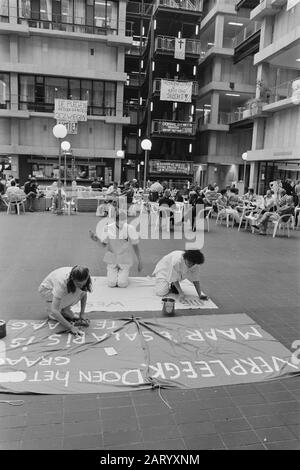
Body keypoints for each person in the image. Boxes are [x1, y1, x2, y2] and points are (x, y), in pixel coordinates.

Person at [89, 200, 143, 288]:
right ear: (115, 220)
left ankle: (123, 273)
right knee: (111, 284)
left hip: (125, 258)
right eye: (119, 221)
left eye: (123, 220)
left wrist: (140, 261)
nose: (121, 223)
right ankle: (116, 271)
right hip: (112, 258)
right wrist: (96, 240)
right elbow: (103, 245)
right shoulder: (108, 228)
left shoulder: (130, 228)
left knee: (122, 284)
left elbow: (135, 246)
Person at [38, 265, 92, 335]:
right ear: (72, 279)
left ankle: (65, 310)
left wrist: (82, 314)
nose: (81, 286)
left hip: (65, 287)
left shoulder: (85, 277)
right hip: (47, 290)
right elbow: (54, 310)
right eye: (78, 284)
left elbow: (84, 293)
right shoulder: (61, 282)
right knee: (54, 315)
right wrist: (71, 327)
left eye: (83, 283)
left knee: (79, 290)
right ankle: (62, 310)